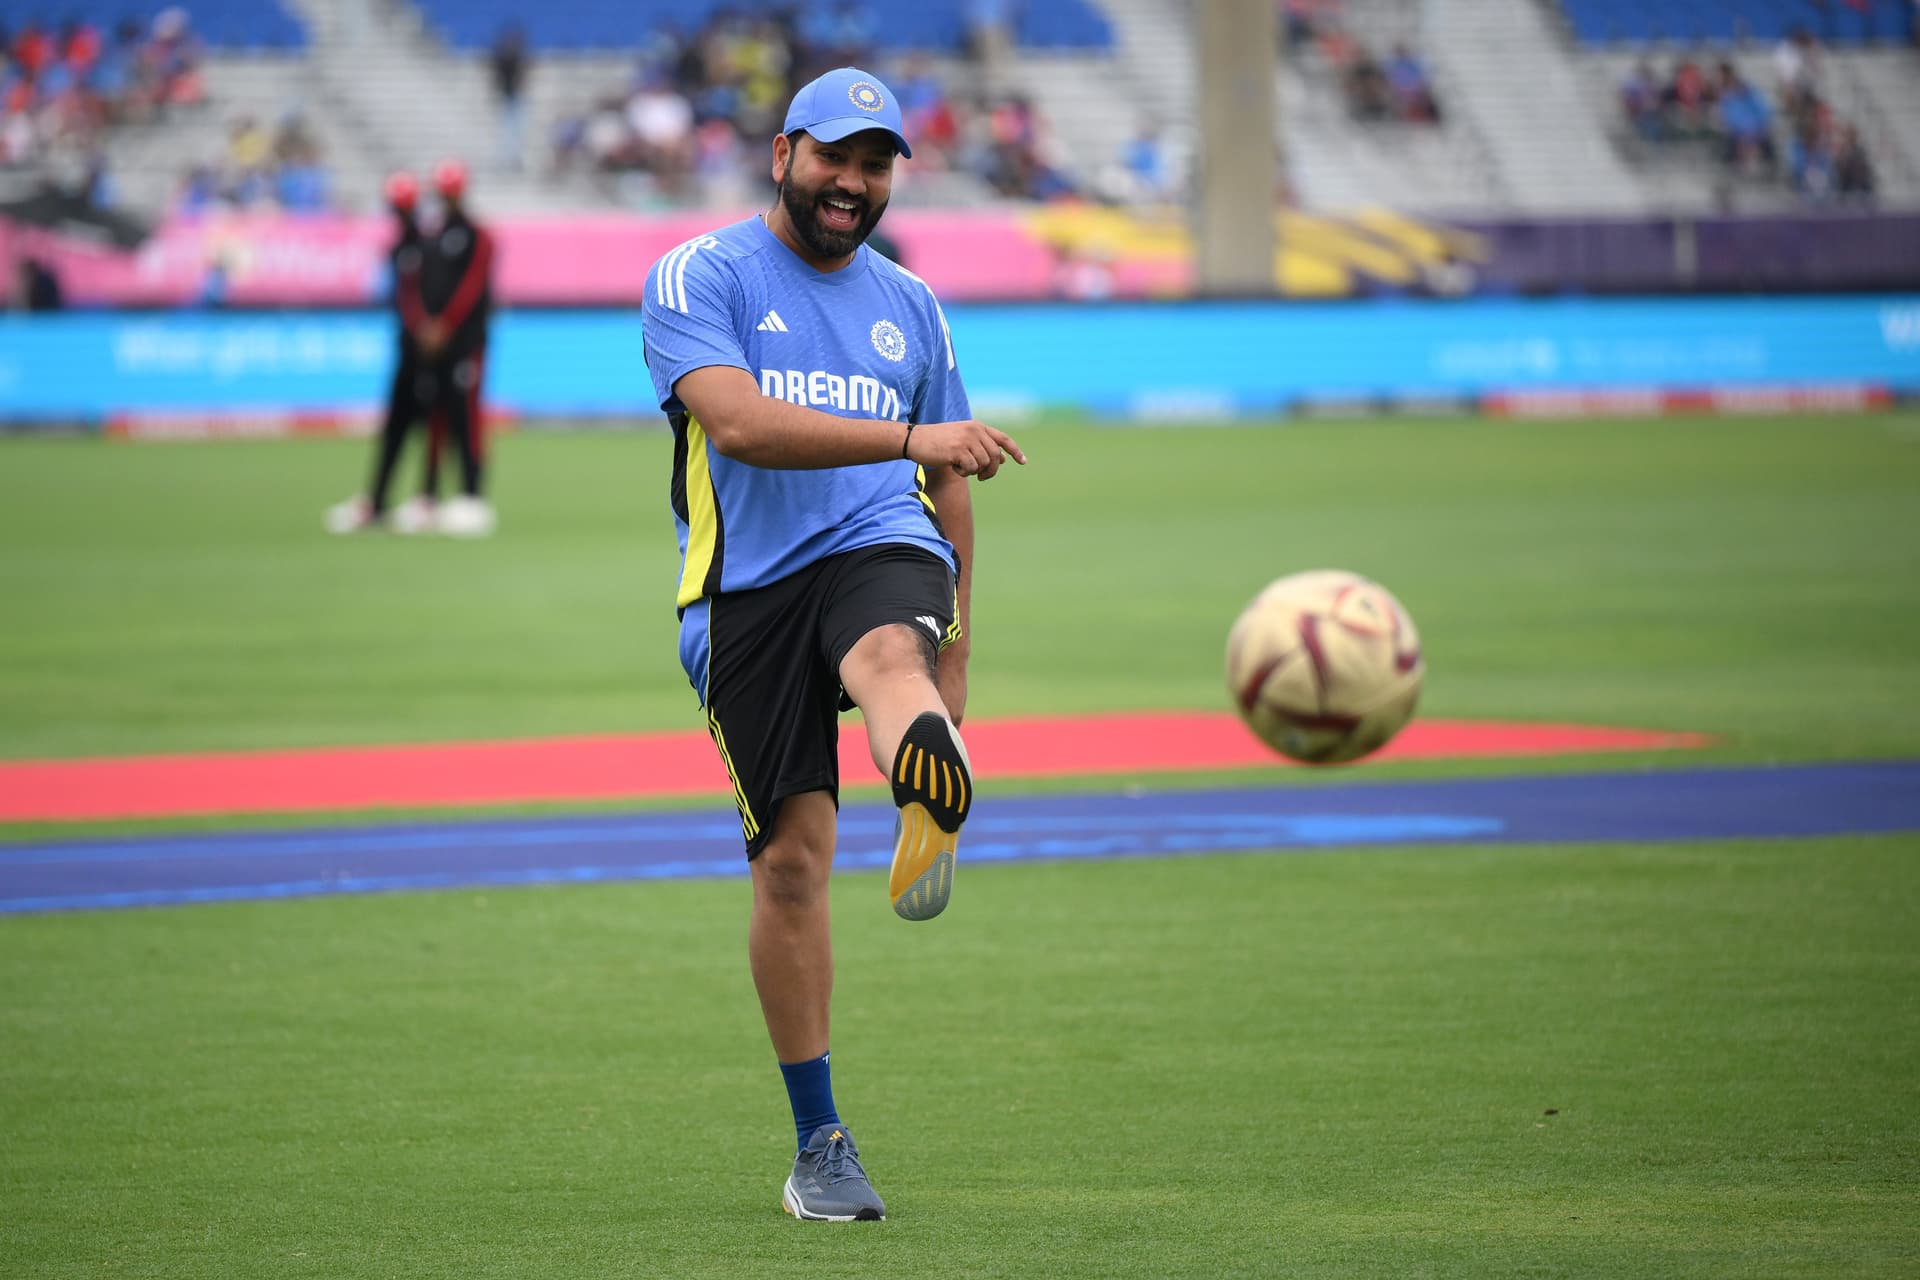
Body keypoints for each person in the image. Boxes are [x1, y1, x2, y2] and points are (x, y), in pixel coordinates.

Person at [639, 66, 1025, 1223]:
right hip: (742, 593)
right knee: (793, 867)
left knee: (891, 660)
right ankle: (820, 1145)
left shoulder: (911, 303)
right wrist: (914, 431)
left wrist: (956, 666)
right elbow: (742, 425)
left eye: (876, 164)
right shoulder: (700, 273)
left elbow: (948, 482)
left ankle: (927, 780)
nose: (853, 183)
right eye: (835, 158)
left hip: (877, 542)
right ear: (783, 154)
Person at [325, 170, 444, 536]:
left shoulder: (421, 248)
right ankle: (382, 501)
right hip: (411, 352)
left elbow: (418, 300)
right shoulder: (411, 247)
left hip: (423, 353)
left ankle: (425, 499)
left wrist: (428, 330)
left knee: (424, 428)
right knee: (400, 429)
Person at [415, 159, 497, 536]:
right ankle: (428, 494)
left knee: (466, 416)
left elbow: (472, 288)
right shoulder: (431, 235)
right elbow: (422, 286)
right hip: (435, 345)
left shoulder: (477, 236)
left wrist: (444, 325)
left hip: (466, 343)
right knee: (434, 416)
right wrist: (426, 326)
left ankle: (471, 494)